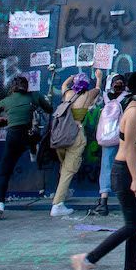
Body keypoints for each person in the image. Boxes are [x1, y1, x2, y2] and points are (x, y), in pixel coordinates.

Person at [71, 69, 136, 270]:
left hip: (130, 170)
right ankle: (87, 260)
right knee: (131, 225)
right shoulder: (134, 112)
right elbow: (127, 148)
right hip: (126, 172)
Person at [0, 74, 53, 218]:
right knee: (39, 139)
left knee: (4, 170)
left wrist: (3, 119)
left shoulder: (7, 100)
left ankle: (0, 203)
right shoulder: (34, 97)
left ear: (12, 87)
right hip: (28, 135)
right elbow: (49, 109)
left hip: (12, 136)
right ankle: (34, 150)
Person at [50, 71, 104, 217]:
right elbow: (98, 89)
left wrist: (70, 77)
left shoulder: (67, 95)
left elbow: (63, 85)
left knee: (64, 167)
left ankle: (63, 192)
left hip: (60, 135)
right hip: (76, 134)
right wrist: (99, 77)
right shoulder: (87, 96)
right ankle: (58, 203)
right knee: (69, 170)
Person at [90, 74, 129, 217]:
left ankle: (103, 202)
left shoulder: (105, 98)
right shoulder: (127, 99)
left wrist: (98, 79)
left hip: (107, 138)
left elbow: (93, 100)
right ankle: (125, 200)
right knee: (125, 168)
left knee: (106, 167)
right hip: (123, 138)